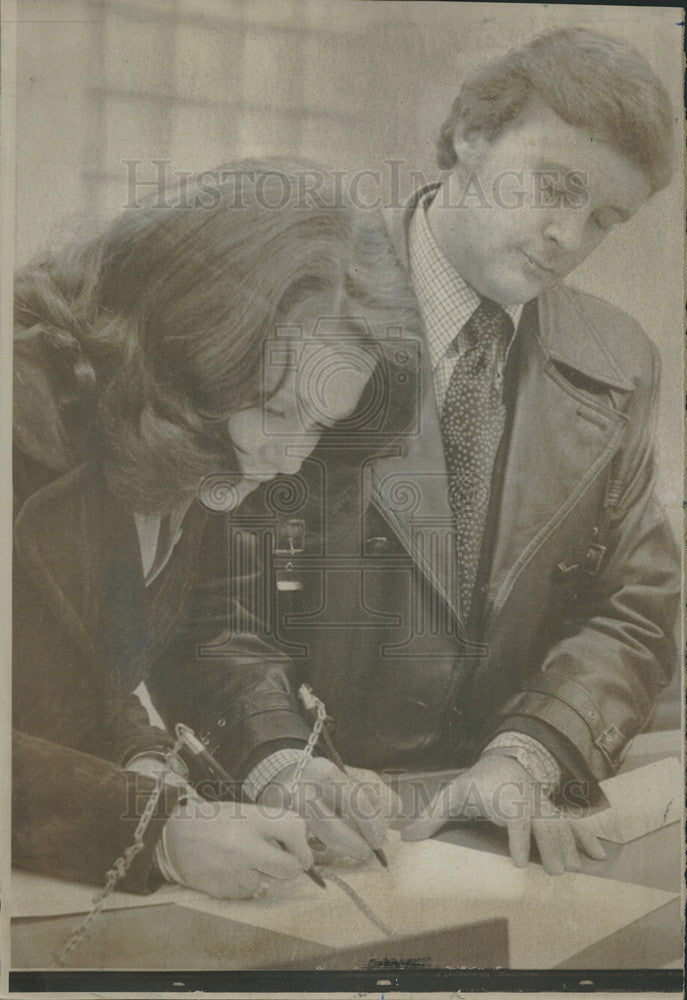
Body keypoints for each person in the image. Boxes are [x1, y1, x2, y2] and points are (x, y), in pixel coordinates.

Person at [242, 29, 680, 875]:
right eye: (555, 186)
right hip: (293, 817)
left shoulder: (620, 358)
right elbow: (206, 601)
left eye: (603, 218)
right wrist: (280, 763)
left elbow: (633, 609)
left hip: (493, 824)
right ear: (472, 135)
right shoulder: (298, 295)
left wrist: (528, 754)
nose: (568, 236)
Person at [12, 160, 419, 897]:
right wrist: (152, 829)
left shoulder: (203, 427)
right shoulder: (22, 414)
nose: (289, 455)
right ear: (187, 339)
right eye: (273, 409)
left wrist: (284, 766)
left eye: (318, 426)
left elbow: (188, 635)